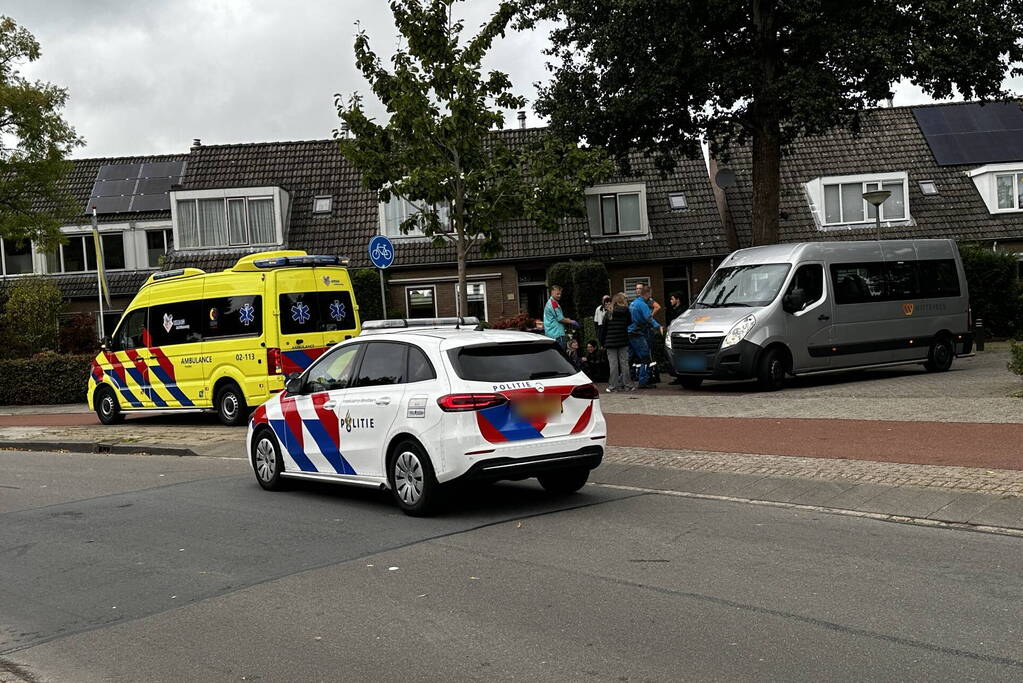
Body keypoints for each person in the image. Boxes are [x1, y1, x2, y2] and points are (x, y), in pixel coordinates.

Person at [629, 285, 660, 388]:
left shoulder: (633, 303)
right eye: (650, 294)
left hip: (630, 332)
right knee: (645, 356)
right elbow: (648, 318)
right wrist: (657, 326)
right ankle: (643, 382)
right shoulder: (643, 305)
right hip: (638, 333)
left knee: (629, 358)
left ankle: (623, 380)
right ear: (647, 294)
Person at [603, 293, 635, 392]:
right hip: (623, 340)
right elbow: (629, 323)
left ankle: (613, 386)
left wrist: (602, 342)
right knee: (624, 363)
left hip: (610, 341)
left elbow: (603, 328)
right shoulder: (627, 311)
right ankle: (628, 385)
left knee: (613, 364)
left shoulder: (609, 312)